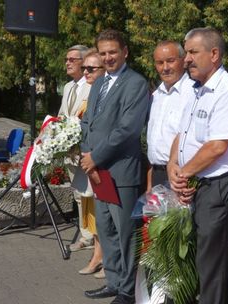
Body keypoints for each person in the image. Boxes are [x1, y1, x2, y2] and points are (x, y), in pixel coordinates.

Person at [168, 27, 228, 304]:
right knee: (192, 258)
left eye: (193, 52)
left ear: (214, 54)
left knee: (211, 267)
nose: (186, 59)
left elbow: (218, 146)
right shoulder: (195, 90)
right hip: (194, 182)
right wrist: (172, 165)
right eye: (186, 52)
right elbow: (183, 134)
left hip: (218, 186)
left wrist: (184, 172)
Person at [81, 29, 149, 304]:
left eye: (113, 52)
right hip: (97, 171)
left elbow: (127, 129)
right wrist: (87, 155)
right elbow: (88, 122)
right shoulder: (98, 83)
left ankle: (127, 290)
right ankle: (113, 280)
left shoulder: (135, 83)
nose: (108, 57)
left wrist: (95, 157)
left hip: (120, 170)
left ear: (124, 52)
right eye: (103, 53)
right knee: (106, 230)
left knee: (125, 235)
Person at [58, 45, 96, 254]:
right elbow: (62, 115)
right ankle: (85, 232)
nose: (68, 62)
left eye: (73, 59)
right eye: (67, 58)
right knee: (78, 194)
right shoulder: (67, 87)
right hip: (69, 150)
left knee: (90, 194)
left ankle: (91, 235)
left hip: (86, 150)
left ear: (84, 62)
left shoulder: (92, 85)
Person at [73, 49, 106, 279]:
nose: (85, 72)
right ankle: (97, 254)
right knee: (91, 210)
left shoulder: (106, 93)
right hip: (87, 161)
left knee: (103, 214)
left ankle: (103, 258)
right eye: (84, 68)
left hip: (101, 162)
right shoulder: (92, 92)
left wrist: (93, 157)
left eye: (91, 68)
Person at [146, 40, 195, 191]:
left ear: (183, 61)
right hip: (157, 175)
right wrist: (149, 184)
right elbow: (152, 145)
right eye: (160, 63)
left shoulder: (193, 92)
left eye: (170, 61)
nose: (165, 68)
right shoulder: (155, 96)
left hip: (182, 175)